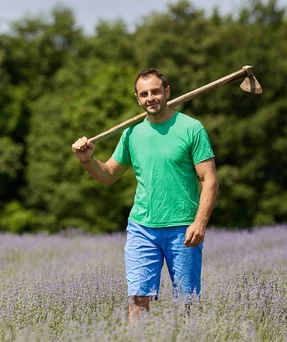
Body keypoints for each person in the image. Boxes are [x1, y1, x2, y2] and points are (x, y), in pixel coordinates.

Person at [71, 68, 218, 325]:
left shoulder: (191, 128)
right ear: (138, 99)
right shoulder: (132, 134)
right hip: (142, 228)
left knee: (187, 302)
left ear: (167, 92)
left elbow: (209, 180)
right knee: (138, 300)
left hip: (183, 229)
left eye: (155, 92)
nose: (150, 98)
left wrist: (200, 222)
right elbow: (108, 174)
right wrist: (87, 160)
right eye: (144, 94)